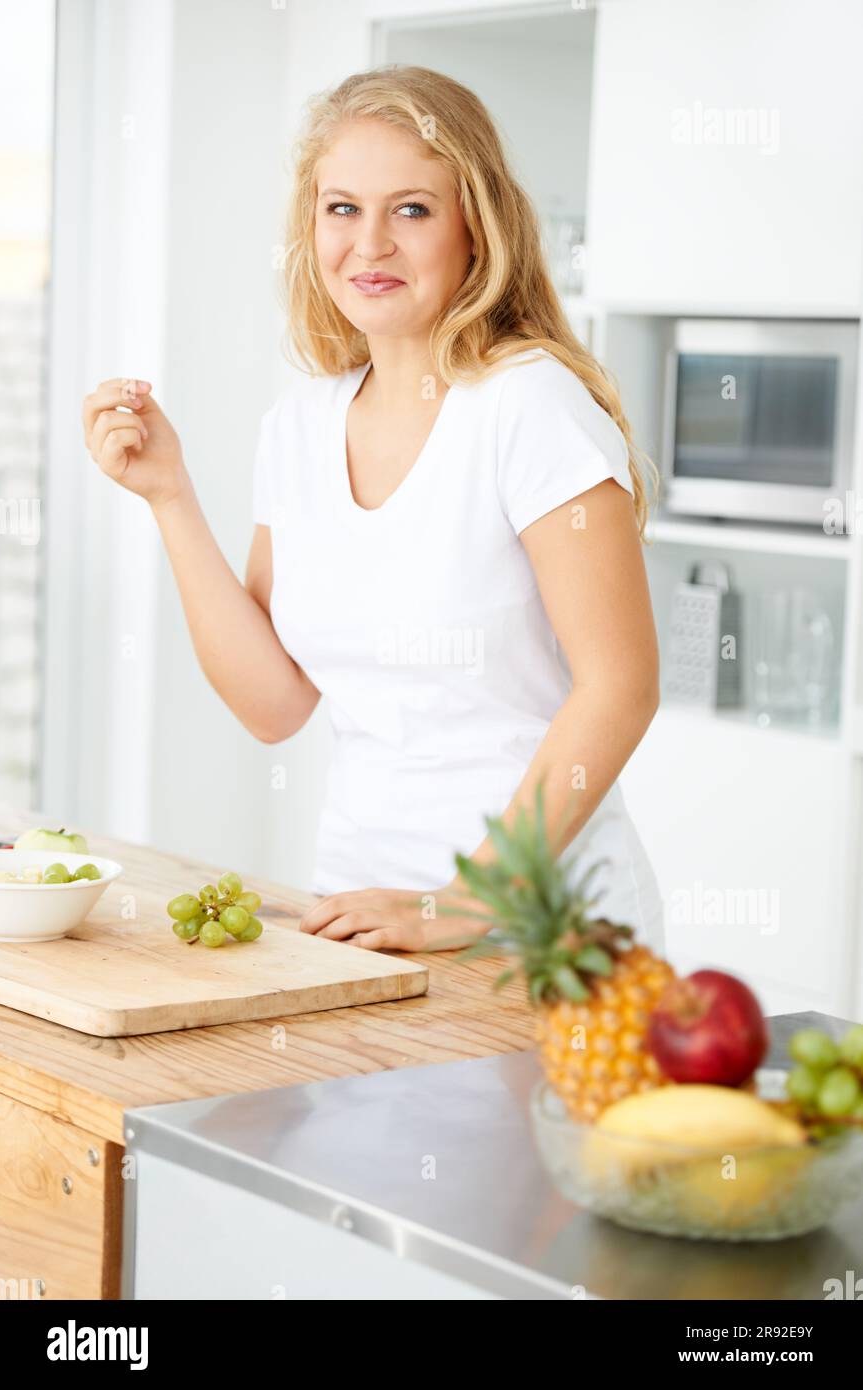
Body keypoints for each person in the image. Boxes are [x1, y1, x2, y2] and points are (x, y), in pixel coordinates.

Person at [82, 65, 665, 956]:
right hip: (356, 917)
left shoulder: (530, 408)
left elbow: (620, 686)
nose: (371, 244)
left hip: (542, 932)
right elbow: (274, 703)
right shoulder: (300, 425)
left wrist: (469, 902)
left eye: (414, 210)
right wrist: (169, 494)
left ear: (478, 226)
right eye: (343, 208)